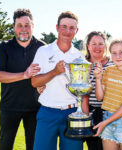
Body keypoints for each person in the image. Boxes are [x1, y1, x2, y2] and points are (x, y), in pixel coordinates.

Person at [0, 9, 45, 150]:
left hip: (36, 108)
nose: (23, 29)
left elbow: (49, 74)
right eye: (19, 25)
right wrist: (24, 75)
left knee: (34, 147)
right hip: (9, 107)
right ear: (14, 27)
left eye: (27, 25)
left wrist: (44, 84)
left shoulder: (42, 47)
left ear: (33, 26)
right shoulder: (4, 47)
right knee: (5, 145)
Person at [31, 11, 84, 150]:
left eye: (72, 28)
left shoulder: (79, 57)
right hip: (48, 112)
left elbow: (83, 90)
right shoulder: (43, 51)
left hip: (72, 113)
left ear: (76, 30)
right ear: (57, 28)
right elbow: (35, 82)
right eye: (64, 26)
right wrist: (54, 72)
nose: (67, 31)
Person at [82, 31, 113, 150]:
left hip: (110, 113)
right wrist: (87, 118)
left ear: (105, 46)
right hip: (88, 112)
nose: (97, 47)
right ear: (88, 46)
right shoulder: (82, 64)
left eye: (101, 43)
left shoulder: (113, 63)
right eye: (93, 43)